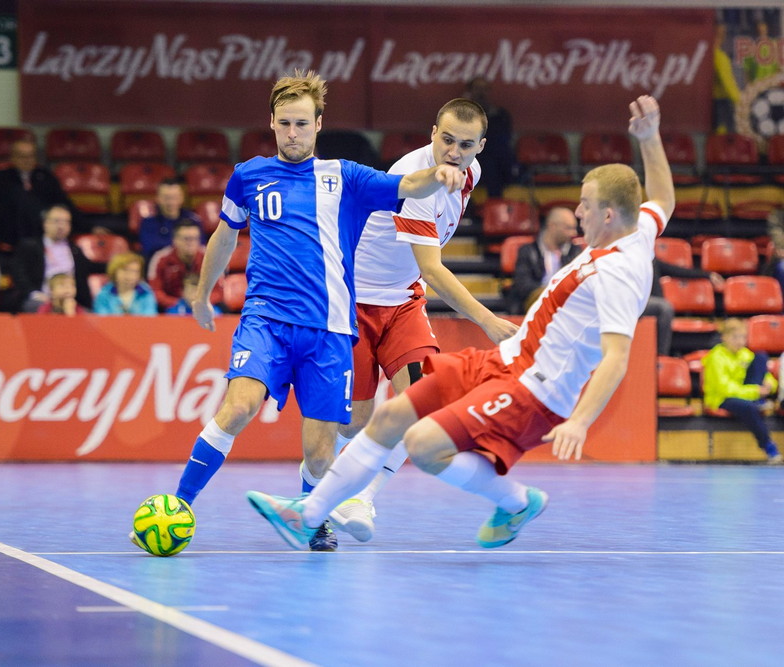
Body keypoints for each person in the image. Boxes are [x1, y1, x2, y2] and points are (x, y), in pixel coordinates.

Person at [247, 94, 675, 551]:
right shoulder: (637, 228)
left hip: (524, 375)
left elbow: (617, 357)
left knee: (418, 429)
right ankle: (311, 510)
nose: (576, 213)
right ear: (433, 134)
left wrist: (582, 421)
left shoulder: (617, 272)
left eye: (585, 205)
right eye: (447, 140)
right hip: (381, 308)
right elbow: (662, 199)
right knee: (376, 418)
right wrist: (650, 139)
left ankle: (373, 503)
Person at [134, 69, 471, 554]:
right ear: (272, 123)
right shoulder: (248, 175)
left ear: (318, 125)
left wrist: (436, 175)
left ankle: (310, 517)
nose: (293, 133)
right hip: (266, 321)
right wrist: (201, 294)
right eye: (285, 124)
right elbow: (224, 236)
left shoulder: (347, 177)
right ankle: (179, 504)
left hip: (330, 331)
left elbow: (408, 185)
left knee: (318, 452)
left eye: (302, 124)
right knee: (238, 408)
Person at [327, 98, 519, 543]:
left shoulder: (472, 173)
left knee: (416, 408)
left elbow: (423, 272)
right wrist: (488, 321)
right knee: (355, 421)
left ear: (481, 147)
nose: (454, 151)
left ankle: (363, 499)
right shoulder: (415, 180)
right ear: (433, 132)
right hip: (356, 299)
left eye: (465, 144)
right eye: (447, 139)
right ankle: (326, 488)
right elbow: (433, 267)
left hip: (404, 302)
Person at [0, 138, 76, 261]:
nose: (27, 160)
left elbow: (65, 204)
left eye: (30, 156)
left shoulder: (47, 177)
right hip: (9, 238)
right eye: (22, 156)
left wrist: (90, 227)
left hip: (40, 239)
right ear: (13, 158)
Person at [702, 318, 782, 464]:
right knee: (749, 408)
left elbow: (767, 377)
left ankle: (758, 401)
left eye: (743, 337)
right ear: (724, 337)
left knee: (761, 357)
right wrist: (755, 392)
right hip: (721, 399)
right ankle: (769, 447)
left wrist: (769, 385)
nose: (739, 341)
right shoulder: (716, 357)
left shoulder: (745, 354)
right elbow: (725, 389)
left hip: (746, 394)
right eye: (735, 337)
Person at [11, 204, 95, 313]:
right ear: (45, 223)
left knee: (89, 316)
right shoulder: (30, 246)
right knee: (44, 309)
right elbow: (19, 273)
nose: (61, 226)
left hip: (70, 299)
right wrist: (34, 293)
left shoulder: (75, 250)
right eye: (57, 221)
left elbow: (91, 267)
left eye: (66, 222)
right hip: (40, 298)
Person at [509, 207, 582, 314]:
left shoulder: (575, 252)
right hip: (534, 303)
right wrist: (549, 292)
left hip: (565, 304)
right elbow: (523, 284)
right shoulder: (528, 251)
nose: (574, 233)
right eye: (568, 228)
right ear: (552, 226)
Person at [645, 259, 724, 356]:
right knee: (664, 307)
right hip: (640, 307)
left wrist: (707, 275)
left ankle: (663, 357)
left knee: (719, 337)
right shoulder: (628, 261)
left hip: (658, 312)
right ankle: (661, 356)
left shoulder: (651, 260)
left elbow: (677, 271)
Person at [147, 222, 220, 311]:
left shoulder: (211, 257)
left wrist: (200, 303)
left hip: (204, 304)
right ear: (175, 240)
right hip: (170, 306)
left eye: (195, 238)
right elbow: (155, 290)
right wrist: (179, 304)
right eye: (186, 239)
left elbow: (218, 291)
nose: (191, 243)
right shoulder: (160, 258)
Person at [462, 77, 514, 198]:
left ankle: (495, 208)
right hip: (469, 157)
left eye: (484, 89)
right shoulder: (461, 115)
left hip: (494, 159)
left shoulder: (500, 115)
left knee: (496, 164)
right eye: (477, 89)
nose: (481, 93)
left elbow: (504, 141)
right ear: (470, 91)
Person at [138, 178, 204, 263]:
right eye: (166, 198)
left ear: (182, 198)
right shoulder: (148, 223)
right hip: (160, 267)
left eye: (174, 197)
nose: (171, 202)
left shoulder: (194, 220)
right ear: (157, 198)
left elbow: (200, 247)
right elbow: (150, 248)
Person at [93, 252, 158, 315]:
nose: (129, 276)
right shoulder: (104, 294)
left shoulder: (146, 293)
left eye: (134, 271)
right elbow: (102, 320)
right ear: (114, 271)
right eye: (125, 270)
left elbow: (149, 318)